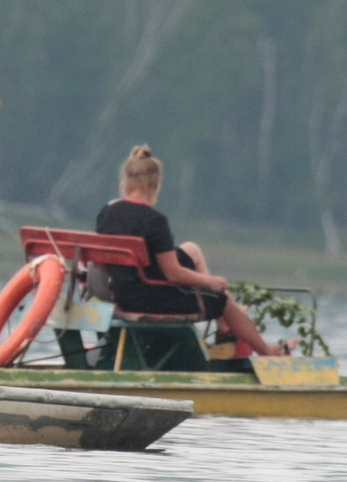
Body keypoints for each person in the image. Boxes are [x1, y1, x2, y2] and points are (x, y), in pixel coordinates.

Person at [95, 145, 288, 357]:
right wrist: (211, 283)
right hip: (150, 300)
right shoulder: (154, 221)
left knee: (192, 250)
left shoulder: (107, 213)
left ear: (127, 180)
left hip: (123, 294)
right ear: (156, 183)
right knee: (222, 300)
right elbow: (173, 274)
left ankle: (224, 323)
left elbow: (103, 263)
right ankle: (266, 350)